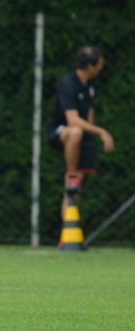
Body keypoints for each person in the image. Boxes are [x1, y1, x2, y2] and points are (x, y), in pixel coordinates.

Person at [48, 45, 114, 224]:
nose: (101, 67)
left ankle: (68, 233)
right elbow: (73, 120)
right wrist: (102, 132)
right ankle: (71, 175)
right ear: (89, 65)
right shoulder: (68, 83)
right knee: (75, 132)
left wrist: (91, 140)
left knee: (76, 188)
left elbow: (88, 113)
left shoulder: (90, 85)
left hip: (80, 137)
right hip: (61, 132)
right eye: (99, 64)